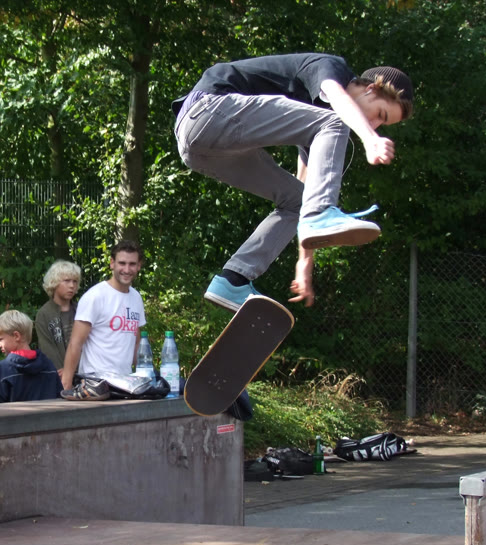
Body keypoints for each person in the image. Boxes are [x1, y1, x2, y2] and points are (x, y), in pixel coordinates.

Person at [173, 53, 414, 311]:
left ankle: (233, 280)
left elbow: (309, 195)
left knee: (296, 201)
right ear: (370, 89)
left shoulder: (318, 124)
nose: (374, 125)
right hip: (209, 110)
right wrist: (370, 140)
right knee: (337, 122)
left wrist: (304, 262)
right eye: (380, 114)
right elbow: (337, 96)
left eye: (380, 126)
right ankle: (323, 215)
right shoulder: (332, 69)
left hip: (200, 150)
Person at [60, 240, 146, 394]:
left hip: (125, 383)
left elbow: (136, 340)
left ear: (139, 266)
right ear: (112, 263)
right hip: (95, 384)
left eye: (132, 264)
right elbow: (75, 344)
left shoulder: (136, 298)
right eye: (122, 263)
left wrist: (145, 374)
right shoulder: (95, 296)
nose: (127, 269)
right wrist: (66, 386)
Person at [0, 310, 62, 402]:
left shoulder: (3, 369)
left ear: (16, 336)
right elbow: (59, 399)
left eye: (1, 339)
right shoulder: (49, 366)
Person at [35, 260, 81, 374]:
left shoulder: (81, 310)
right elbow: (47, 348)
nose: (72, 285)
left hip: (83, 373)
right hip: (57, 374)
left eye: (75, 281)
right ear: (54, 282)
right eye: (67, 281)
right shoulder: (44, 314)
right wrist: (64, 371)